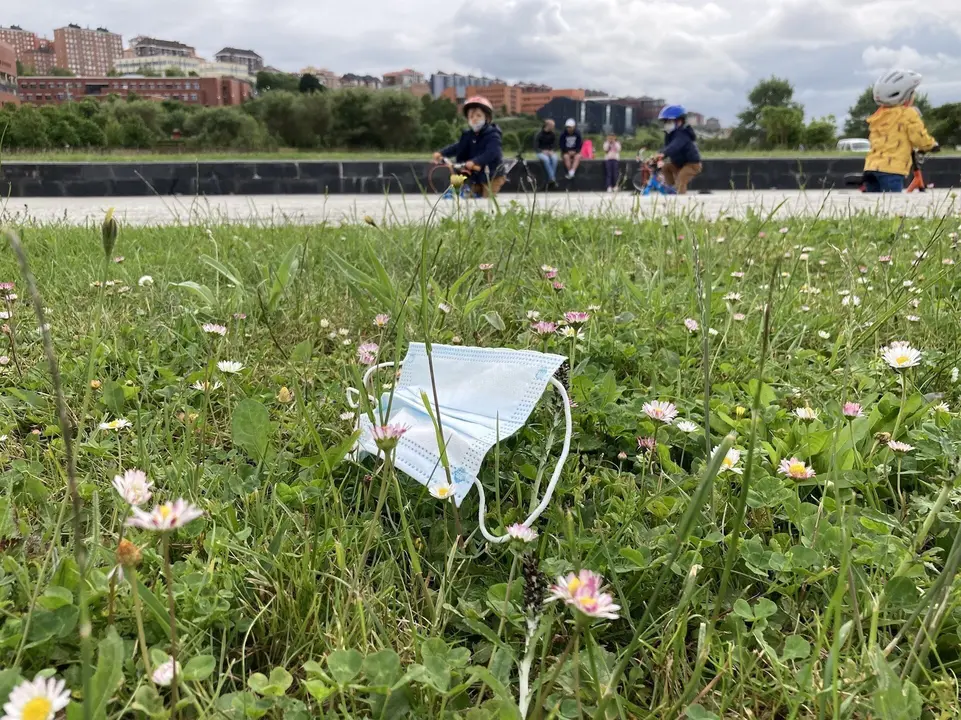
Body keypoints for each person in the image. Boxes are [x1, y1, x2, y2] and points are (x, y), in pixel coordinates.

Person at [862, 69, 938, 193]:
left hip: (870, 167)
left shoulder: (878, 116)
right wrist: (931, 145)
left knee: (875, 203)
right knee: (892, 202)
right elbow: (918, 137)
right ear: (906, 96)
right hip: (891, 170)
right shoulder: (907, 114)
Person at [433, 96, 504, 197]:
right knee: (465, 195)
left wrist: (475, 161)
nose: (474, 119)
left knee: (487, 198)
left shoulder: (493, 135)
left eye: (478, 115)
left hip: (492, 174)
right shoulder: (468, 135)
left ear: (487, 118)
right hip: (474, 174)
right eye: (471, 116)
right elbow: (458, 147)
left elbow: (492, 152)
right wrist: (442, 153)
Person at [657, 105, 702, 194]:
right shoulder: (670, 135)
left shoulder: (683, 134)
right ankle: (671, 190)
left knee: (681, 180)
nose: (666, 124)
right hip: (678, 164)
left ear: (679, 121)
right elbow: (667, 147)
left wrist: (663, 154)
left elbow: (674, 146)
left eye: (669, 121)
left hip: (692, 164)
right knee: (666, 167)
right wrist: (658, 154)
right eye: (665, 121)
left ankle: (681, 198)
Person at [534, 119, 559, 188]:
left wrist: (552, 151)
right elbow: (535, 147)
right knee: (546, 160)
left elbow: (556, 145)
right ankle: (552, 178)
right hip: (541, 152)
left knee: (554, 159)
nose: (553, 127)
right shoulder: (539, 134)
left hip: (550, 151)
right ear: (548, 125)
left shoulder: (553, 134)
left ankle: (551, 179)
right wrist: (542, 151)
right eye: (552, 126)